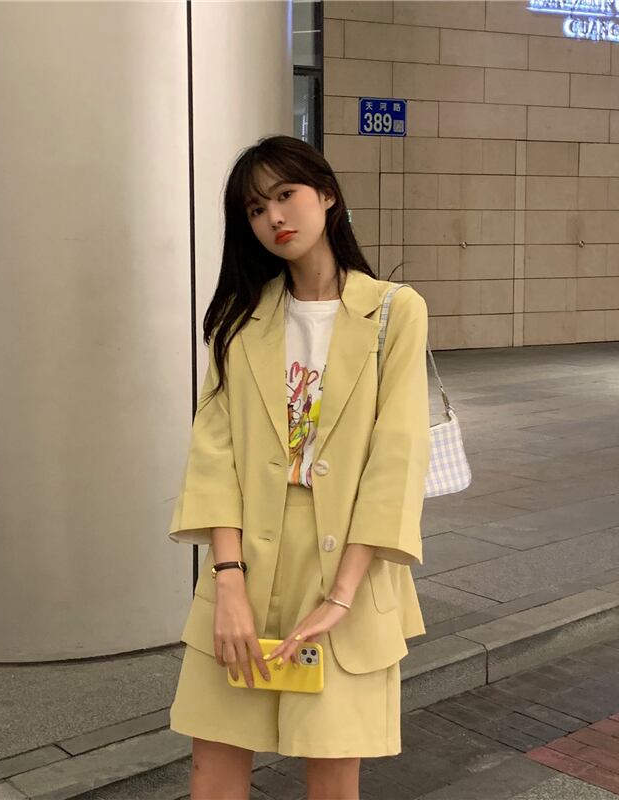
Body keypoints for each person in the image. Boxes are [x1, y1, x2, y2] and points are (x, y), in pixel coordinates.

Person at [168, 134, 430, 800]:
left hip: (347, 559)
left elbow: (395, 459)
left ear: (327, 195)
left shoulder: (393, 311)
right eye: (256, 209)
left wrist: (342, 595)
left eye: (286, 195)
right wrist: (228, 583)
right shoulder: (240, 319)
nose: (274, 217)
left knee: (332, 765)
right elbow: (214, 455)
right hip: (246, 556)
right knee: (214, 761)